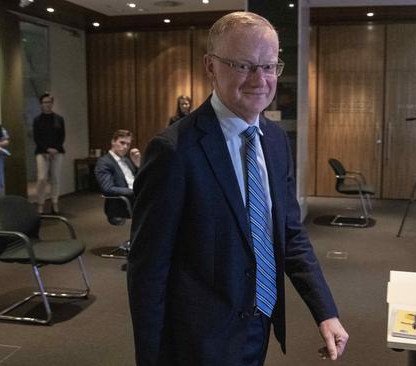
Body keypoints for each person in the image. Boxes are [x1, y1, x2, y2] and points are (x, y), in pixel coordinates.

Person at [127, 11, 348, 366]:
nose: (260, 80)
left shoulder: (275, 141)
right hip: (196, 342)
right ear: (211, 66)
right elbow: (148, 270)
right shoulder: (174, 151)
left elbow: (289, 234)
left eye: (270, 66)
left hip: (258, 325)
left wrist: (325, 311)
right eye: (243, 65)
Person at [94, 129, 141, 219]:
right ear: (113, 142)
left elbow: (139, 180)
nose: (125, 147)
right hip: (124, 202)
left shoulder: (127, 160)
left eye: (128, 144)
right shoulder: (104, 162)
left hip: (137, 197)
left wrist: (138, 165)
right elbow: (108, 188)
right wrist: (135, 192)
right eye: (122, 143)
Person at [33, 92, 65, 214]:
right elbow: (36, 138)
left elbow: (62, 136)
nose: (47, 105)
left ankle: (55, 203)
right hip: (42, 152)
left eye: (49, 102)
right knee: (42, 178)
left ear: (52, 103)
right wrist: (47, 149)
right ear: (41, 104)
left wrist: (55, 149)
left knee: (55, 178)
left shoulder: (59, 119)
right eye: (45, 102)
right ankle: (40, 203)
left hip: (57, 152)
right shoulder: (37, 120)